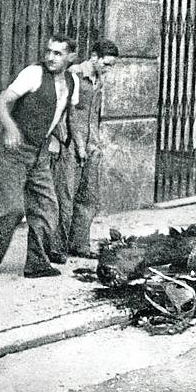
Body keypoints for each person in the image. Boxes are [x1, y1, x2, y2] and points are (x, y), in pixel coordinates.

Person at [0, 34, 80, 278]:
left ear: (71, 57)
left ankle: (37, 263)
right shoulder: (33, 74)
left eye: (58, 53)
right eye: (48, 51)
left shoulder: (72, 81)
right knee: (12, 208)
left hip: (40, 153)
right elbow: (1, 101)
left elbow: (61, 114)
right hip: (13, 151)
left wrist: (62, 140)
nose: (50, 57)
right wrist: (11, 128)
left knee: (47, 207)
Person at [52, 39, 119, 259]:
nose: (108, 70)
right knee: (66, 196)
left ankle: (78, 244)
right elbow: (68, 113)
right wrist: (78, 145)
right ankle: (56, 248)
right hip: (71, 143)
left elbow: (93, 116)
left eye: (111, 66)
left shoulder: (99, 80)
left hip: (91, 145)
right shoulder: (74, 74)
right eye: (106, 64)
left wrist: (96, 144)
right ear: (93, 57)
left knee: (89, 197)